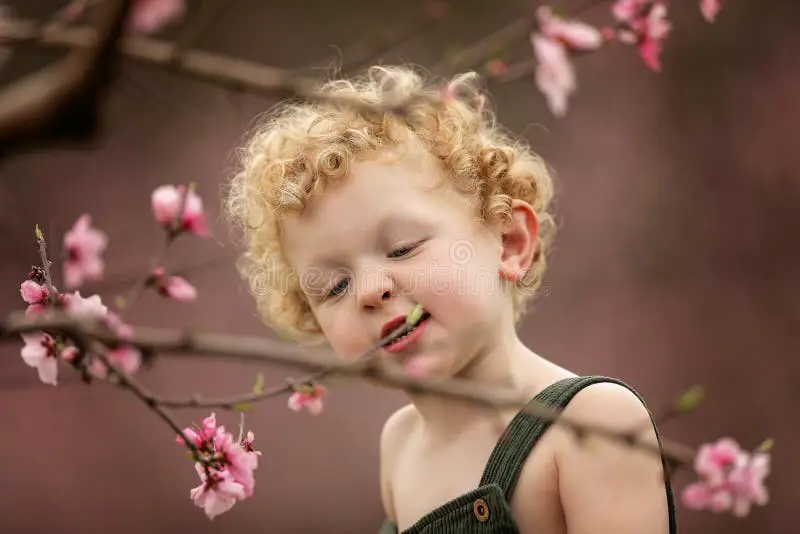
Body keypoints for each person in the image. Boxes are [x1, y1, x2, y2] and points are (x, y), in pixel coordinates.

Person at [224, 65, 677, 534]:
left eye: (402, 249)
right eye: (334, 287)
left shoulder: (591, 421)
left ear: (509, 242)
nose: (368, 292)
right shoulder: (399, 447)